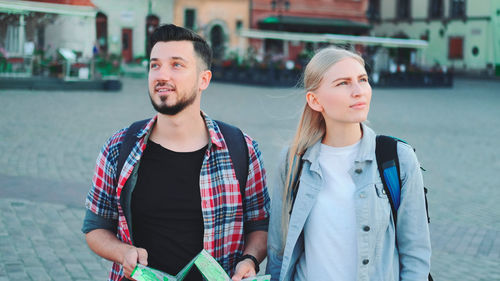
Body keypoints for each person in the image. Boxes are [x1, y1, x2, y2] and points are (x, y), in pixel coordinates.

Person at [82, 24, 270, 281]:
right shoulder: (119, 147)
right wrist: (122, 251)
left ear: (204, 79)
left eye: (176, 65)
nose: (162, 75)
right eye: (155, 65)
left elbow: (259, 224)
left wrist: (250, 260)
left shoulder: (241, 148)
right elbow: (96, 227)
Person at [266, 47, 431, 281]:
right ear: (314, 100)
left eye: (362, 80)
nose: (358, 91)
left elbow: (415, 254)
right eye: (343, 83)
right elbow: (278, 248)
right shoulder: (293, 160)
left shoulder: (397, 158)